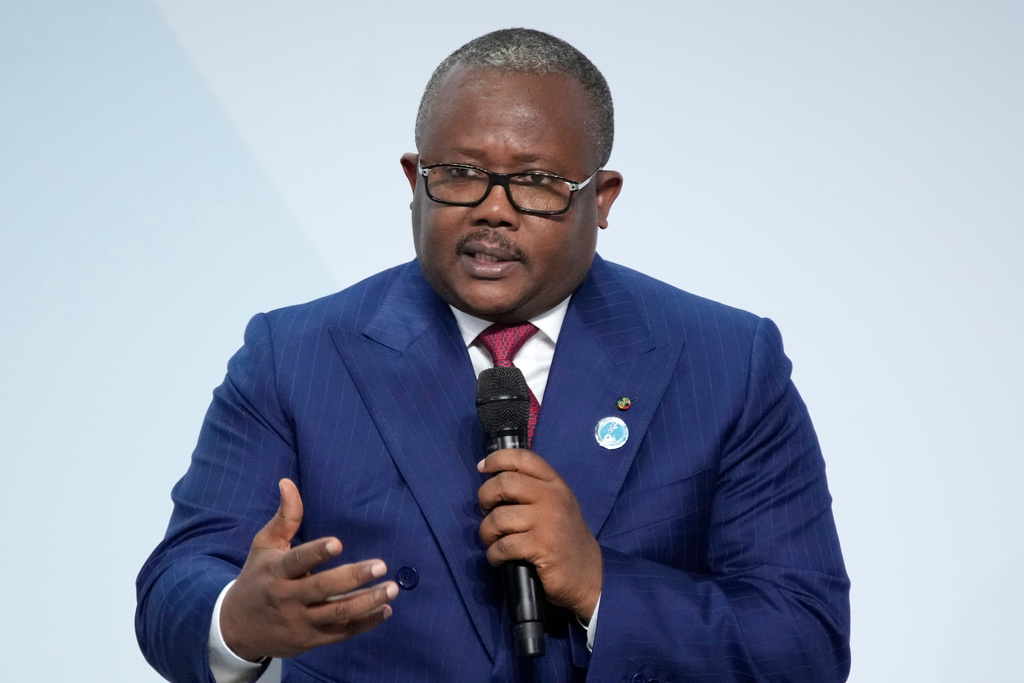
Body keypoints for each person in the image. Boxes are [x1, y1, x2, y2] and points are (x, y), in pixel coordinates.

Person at [136, 28, 851, 683]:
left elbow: (806, 643)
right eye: (459, 173)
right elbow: (176, 583)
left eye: (537, 182)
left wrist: (600, 584)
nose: (493, 208)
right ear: (414, 181)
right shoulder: (293, 355)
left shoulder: (727, 363)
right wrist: (237, 622)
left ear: (602, 199)